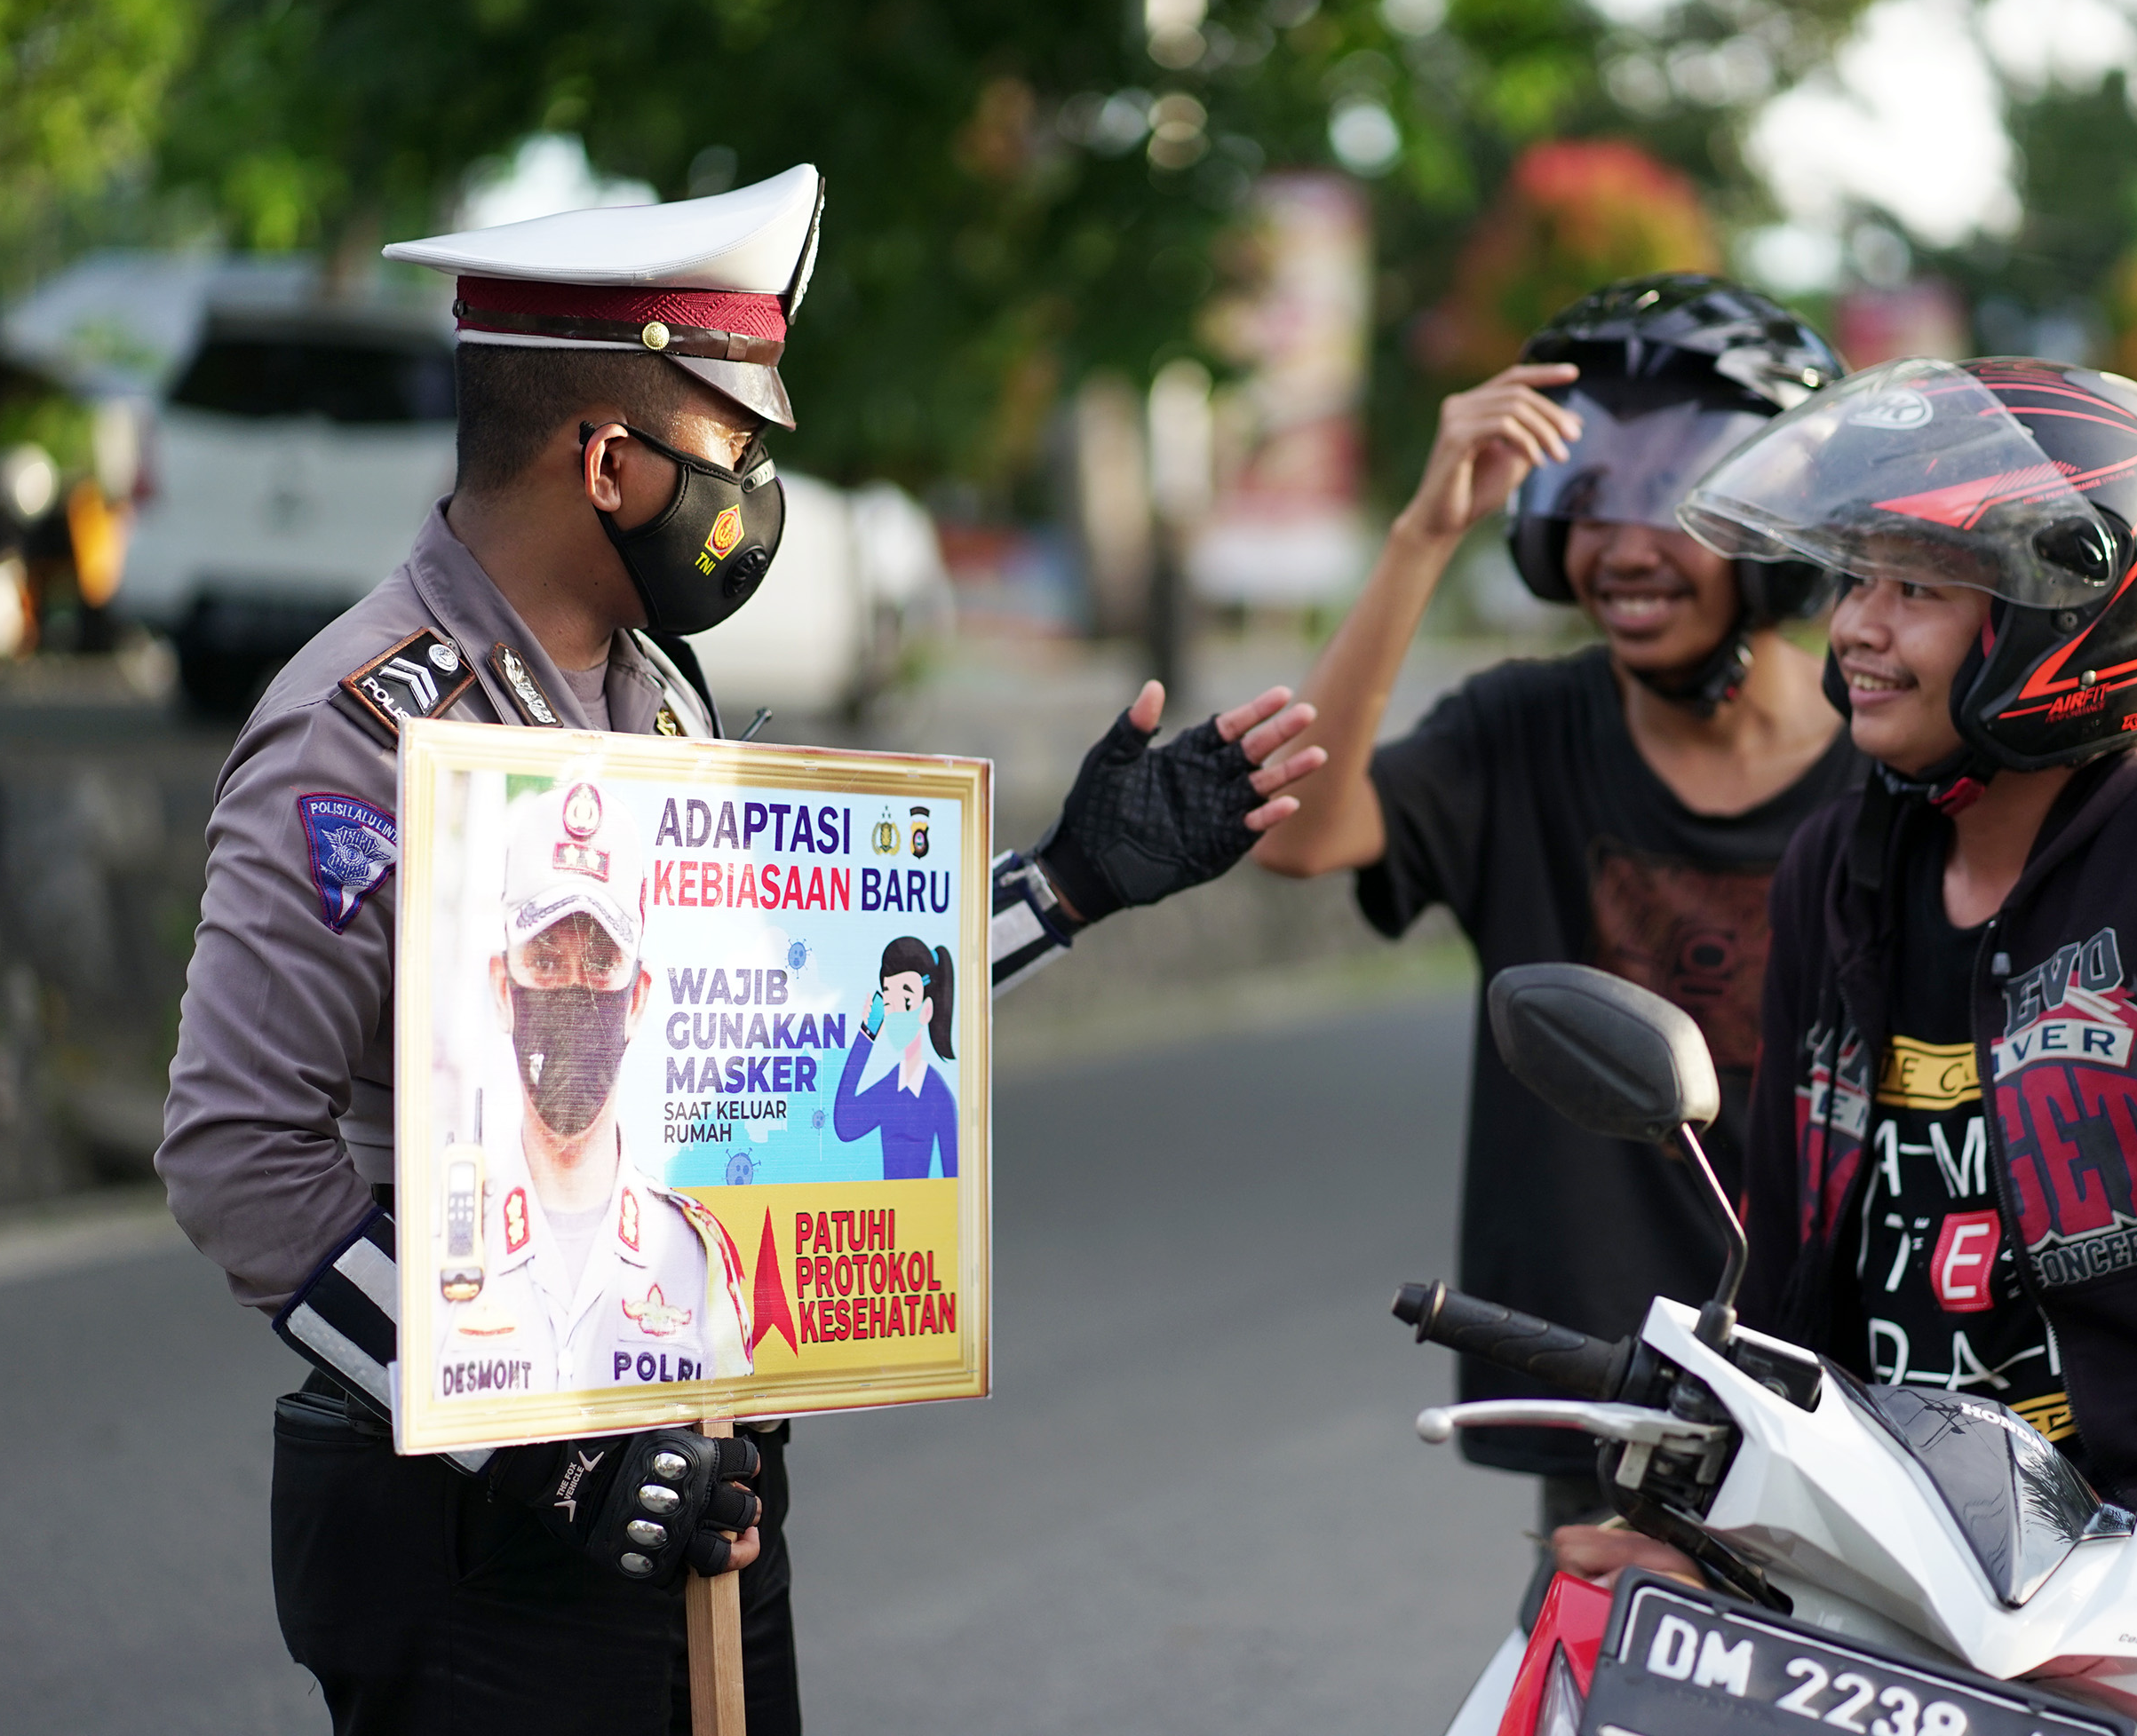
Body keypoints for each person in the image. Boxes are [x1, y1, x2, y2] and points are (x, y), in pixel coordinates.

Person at [155, 164, 1326, 1735]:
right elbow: (239, 1154)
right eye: (734, 452)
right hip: (475, 1528)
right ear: (608, 463)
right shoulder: (360, 734)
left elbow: (759, 1043)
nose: (758, 495)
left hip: (694, 1480)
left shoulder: (655, 694)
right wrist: (553, 1442)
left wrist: (1066, 886)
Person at [1554, 356, 2137, 1734]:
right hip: (1910, 1544)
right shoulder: (1836, 872)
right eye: (1854, 581)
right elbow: (1794, 1251)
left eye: (1915, 588)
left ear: (2068, 622)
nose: (1854, 629)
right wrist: (1702, 1509)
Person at [1253, 275, 1861, 1525]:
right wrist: (1423, 534)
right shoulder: (1523, 733)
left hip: (1851, 1392)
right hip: (1613, 1393)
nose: (1625, 549)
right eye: (1586, 496)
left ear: (1780, 531)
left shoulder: (1892, 768)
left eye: (1677, 501)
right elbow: (1305, 835)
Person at [435, 779, 753, 1401]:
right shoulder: (441, 1245)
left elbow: (742, 1424)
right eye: (546, 961)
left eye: (602, 962)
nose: (574, 993)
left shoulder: (698, 1258)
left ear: (636, 1000)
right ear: (503, 989)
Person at [831, 936, 957, 1178]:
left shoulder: (938, 1095)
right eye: (890, 1000)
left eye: (906, 1000)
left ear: (926, 1010)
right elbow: (845, 1124)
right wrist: (867, 1034)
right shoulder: (891, 1087)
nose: (896, 1011)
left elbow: (953, 1177)